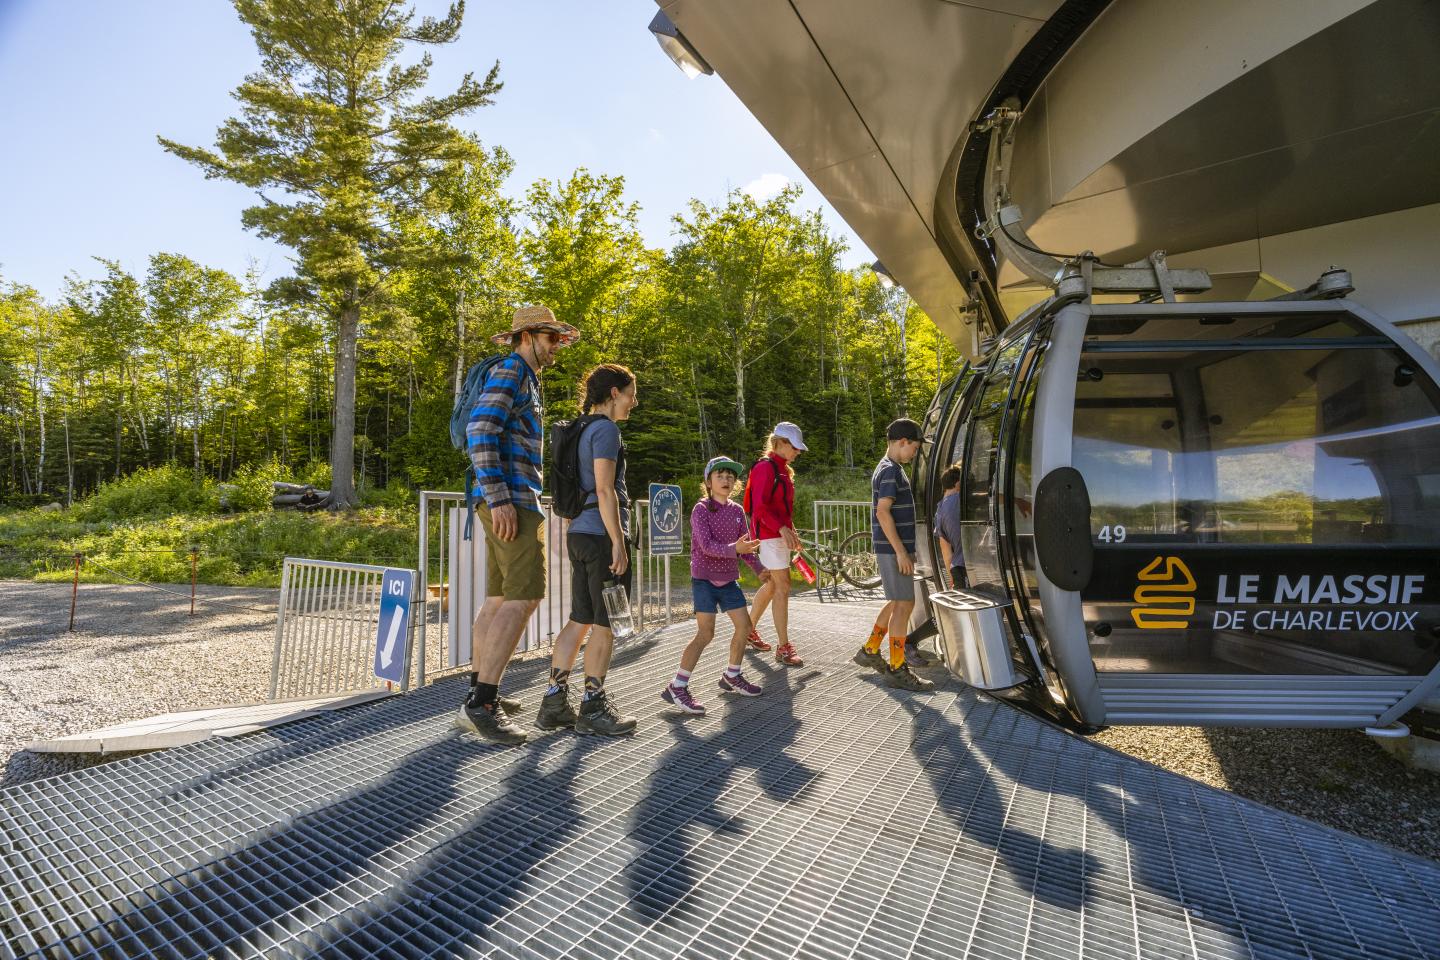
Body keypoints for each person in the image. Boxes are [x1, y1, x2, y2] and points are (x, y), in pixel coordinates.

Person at [458, 305, 579, 745]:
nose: (557, 348)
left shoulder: (517, 374)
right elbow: (480, 429)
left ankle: (477, 691)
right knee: (526, 597)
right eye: (552, 339)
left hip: (499, 497)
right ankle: (482, 705)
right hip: (510, 497)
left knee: (498, 597)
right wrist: (500, 496)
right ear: (528, 336)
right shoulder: (512, 370)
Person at [536, 364, 641, 737]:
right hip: (600, 537)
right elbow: (604, 489)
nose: (634, 401)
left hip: (578, 532)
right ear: (614, 393)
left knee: (579, 618)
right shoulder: (606, 430)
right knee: (607, 622)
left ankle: (553, 703)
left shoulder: (579, 429)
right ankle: (593, 707)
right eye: (631, 393)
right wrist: (618, 541)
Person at [661, 456, 766, 714]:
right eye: (720, 476)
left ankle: (732, 674)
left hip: (729, 579)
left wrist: (761, 569)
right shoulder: (701, 509)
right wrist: (736, 548)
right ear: (708, 482)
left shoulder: (737, 511)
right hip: (705, 579)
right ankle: (678, 685)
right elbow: (707, 547)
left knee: (745, 626)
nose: (726, 480)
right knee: (705, 634)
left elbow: (746, 548)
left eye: (731, 477)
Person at [854, 418, 935, 691]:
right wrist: (901, 552)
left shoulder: (889, 468)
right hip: (893, 549)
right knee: (904, 605)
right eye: (914, 447)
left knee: (897, 602)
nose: (914, 453)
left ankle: (870, 649)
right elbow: (882, 511)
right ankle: (897, 667)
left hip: (893, 549)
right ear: (903, 442)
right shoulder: (891, 471)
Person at [745, 422, 807, 667]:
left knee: (773, 586)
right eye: (794, 447)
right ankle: (783, 647)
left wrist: (791, 532)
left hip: (777, 534)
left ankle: (748, 630)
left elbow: (782, 509)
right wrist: (782, 529)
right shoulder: (765, 468)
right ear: (779, 443)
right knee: (782, 586)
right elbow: (759, 509)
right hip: (768, 536)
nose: (798, 452)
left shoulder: (783, 469)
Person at [902, 461, 965, 654]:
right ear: (957, 483)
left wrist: (951, 573)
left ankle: (911, 641)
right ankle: (910, 641)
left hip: (957, 567)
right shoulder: (962, 501)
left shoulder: (940, 510)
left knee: (951, 611)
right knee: (952, 613)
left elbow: (945, 550)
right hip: (966, 566)